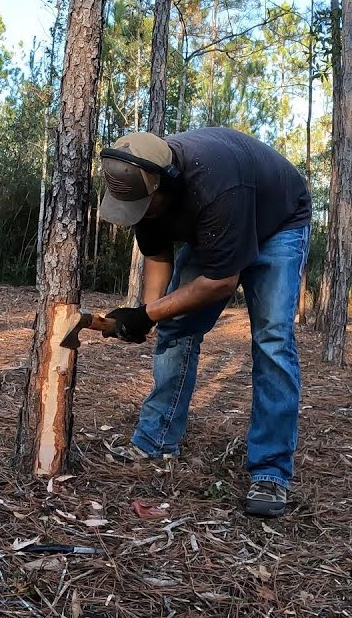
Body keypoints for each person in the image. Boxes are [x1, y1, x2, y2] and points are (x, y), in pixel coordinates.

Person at [98, 128, 311, 518]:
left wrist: (147, 314)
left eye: (147, 205)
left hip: (278, 223)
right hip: (218, 230)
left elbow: (220, 282)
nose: (141, 214)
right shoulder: (140, 186)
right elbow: (157, 257)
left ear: (167, 185)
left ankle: (271, 472)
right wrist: (148, 315)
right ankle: (156, 439)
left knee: (273, 340)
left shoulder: (214, 187)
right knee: (176, 328)